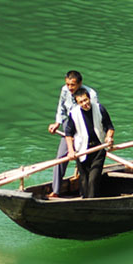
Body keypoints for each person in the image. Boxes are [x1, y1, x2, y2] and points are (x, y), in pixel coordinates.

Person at [47, 70, 92, 198]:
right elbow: (61, 108)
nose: (69, 87)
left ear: (80, 84)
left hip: (85, 128)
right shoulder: (65, 90)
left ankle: (86, 192)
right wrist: (57, 123)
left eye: (72, 85)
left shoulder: (90, 94)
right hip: (69, 127)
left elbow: (95, 114)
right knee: (61, 158)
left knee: (84, 159)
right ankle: (56, 190)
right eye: (68, 84)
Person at [63, 88, 115, 198]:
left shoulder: (99, 109)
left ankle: (91, 202)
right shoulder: (74, 113)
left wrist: (109, 137)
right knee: (84, 180)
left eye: (86, 100)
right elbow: (68, 134)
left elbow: (110, 127)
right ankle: (85, 199)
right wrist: (71, 151)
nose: (85, 103)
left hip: (99, 148)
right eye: (81, 102)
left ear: (89, 98)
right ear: (77, 102)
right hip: (82, 150)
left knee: (93, 178)